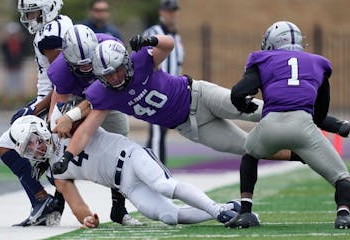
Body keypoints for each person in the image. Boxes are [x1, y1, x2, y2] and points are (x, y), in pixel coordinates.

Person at [52, 33, 350, 175]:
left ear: (125, 62)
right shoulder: (104, 93)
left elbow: (166, 44)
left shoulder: (141, 61)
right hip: (189, 126)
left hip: (200, 95)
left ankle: (333, 124)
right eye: (107, 74)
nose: (115, 76)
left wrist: (150, 39)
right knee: (248, 148)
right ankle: (307, 156)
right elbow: (87, 130)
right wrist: (68, 156)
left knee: (267, 111)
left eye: (117, 69)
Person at [9, 113, 241, 228]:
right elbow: (77, 205)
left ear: (40, 128)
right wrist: (88, 219)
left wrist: (71, 116)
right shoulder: (55, 172)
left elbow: (91, 105)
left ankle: (218, 211)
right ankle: (230, 209)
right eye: (28, 148)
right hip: (125, 185)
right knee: (169, 216)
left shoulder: (65, 126)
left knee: (164, 185)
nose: (35, 148)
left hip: (130, 157)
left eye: (33, 140)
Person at [226, 21, 350, 229]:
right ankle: (344, 215)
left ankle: (245, 211)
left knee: (249, 153)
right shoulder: (318, 64)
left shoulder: (263, 59)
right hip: (304, 127)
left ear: (273, 43)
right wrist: (338, 126)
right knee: (341, 177)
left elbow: (238, 93)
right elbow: (318, 115)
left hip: (270, 126)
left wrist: (244, 107)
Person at [47, 24, 140, 225]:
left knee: (121, 147)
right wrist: (58, 122)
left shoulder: (110, 47)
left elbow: (112, 87)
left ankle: (119, 207)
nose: (87, 69)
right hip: (76, 99)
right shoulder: (60, 70)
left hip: (109, 94)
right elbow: (60, 103)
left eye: (90, 63)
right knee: (61, 146)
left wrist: (73, 115)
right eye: (81, 67)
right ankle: (59, 198)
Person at [0, 0, 73, 226]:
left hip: (57, 102)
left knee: (6, 146)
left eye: (34, 13)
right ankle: (46, 202)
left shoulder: (49, 35)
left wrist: (36, 109)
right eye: (27, 14)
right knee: (45, 154)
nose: (30, 19)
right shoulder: (62, 22)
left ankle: (45, 202)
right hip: (55, 99)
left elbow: (63, 82)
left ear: (48, 8)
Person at [143, 0, 184, 164]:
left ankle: (143, 167)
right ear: (161, 12)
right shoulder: (152, 32)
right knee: (157, 132)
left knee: (161, 132)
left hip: (171, 91)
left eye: (174, 11)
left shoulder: (177, 37)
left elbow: (178, 65)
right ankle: (159, 173)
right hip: (155, 90)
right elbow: (143, 60)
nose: (172, 15)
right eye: (168, 11)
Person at [0, 22, 26, 103]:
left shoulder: (20, 43)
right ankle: (4, 103)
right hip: (9, 68)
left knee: (20, 86)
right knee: (7, 86)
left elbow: (25, 43)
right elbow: (3, 48)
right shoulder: (5, 44)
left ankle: (21, 102)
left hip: (18, 67)